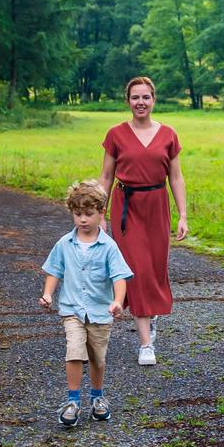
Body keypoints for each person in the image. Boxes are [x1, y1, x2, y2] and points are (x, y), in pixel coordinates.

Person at [97, 76, 190, 366]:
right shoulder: (115, 134)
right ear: (128, 101)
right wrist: (100, 213)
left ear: (154, 100)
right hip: (127, 207)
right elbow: (106, 177)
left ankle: (149, 313)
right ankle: (145, 343)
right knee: (134, 270)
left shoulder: (169, 134)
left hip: (157, 206)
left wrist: (183, 214)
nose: (141, 102)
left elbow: (176, 177)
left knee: (154, 269)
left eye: (146, 97)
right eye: (135, 97)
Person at [40, 180, 133, 426]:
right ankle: (72, 401)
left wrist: (118, 301)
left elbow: (120, 276)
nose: (82, 220)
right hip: (72, 310)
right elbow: (54, 270)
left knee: (97, 359)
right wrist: (48, 294)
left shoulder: (109, 247)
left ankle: (97, 397)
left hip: (100, 312)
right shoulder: (64, 244)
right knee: (74, 351)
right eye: (77, 214)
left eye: (89, 214)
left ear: (101, 213)